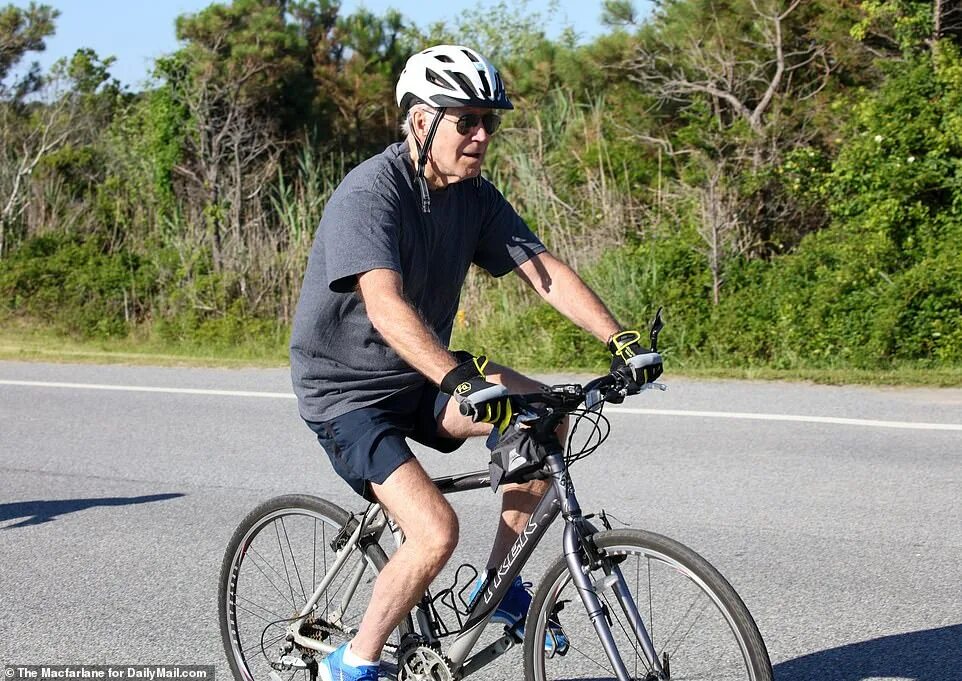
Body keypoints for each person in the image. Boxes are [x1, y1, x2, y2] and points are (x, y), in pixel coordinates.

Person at [289, 44, 663, 681]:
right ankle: (352, 661)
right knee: (435, 532)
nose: (483, 135)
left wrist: (619, 340)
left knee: (546, 419)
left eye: (490, 121)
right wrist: (457, 377)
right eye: (466, 120)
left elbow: (541, 272)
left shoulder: (474, 196)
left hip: (421, 377)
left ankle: (497, 588)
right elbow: (384, 304)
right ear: (420, 121)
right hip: (348, 394)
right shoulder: (371, 193)